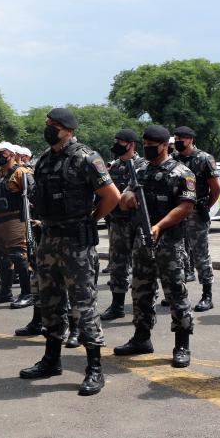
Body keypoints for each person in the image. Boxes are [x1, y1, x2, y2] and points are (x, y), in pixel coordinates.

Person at [19, 108, 120, 397]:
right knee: (49, 301)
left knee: (83, 304)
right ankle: (51, 360)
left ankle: (94, 368)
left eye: (55, 126)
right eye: (48, 124)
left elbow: (111, 196)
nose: (49, 128)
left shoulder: (86, 158)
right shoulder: (45, 160)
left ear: (69, 130)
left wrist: (90, 220)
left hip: (76, 243)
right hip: (49, 238)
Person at [113, 125, 196, 369]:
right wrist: (127, 198)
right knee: (140, 290)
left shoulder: (182, 172)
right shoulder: (139, 169)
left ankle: (182, 344)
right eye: (145, 144)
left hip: (169, 241)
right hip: (142, 240)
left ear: (164, 145)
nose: (147, 148)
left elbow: (185, 206)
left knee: (175, 293)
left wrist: (159, 226)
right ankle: (141, 337)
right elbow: (125, 197)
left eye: (152, 145)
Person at [172, 126, 220, 311]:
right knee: (177, 253)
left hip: (196, 212)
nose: (178, 141)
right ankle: (178, 293)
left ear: (191, 139)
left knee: (201, 254)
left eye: (182, 138)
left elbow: (215, 189)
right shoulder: (174, 159)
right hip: (177, 211)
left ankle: (207, 295)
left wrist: (205, 207)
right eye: (176, 137)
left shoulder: (204, 159)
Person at [100, 129, 147, 321]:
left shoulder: (143, 165)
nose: (116, 144)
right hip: (118, 222)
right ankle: (117, 305)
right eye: (115, 141)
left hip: (138, 223)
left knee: (142, 266)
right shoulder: (114, 166)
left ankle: (143, 306)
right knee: (118, 265)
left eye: (120, 142)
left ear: (131, 144)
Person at [0, 142, 34, 310]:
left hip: (15, 220)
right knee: (0, 257)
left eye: (2, 152)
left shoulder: (22, 172)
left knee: (19, 256)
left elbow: (33, 194)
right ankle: (5, 292)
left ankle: (27, 293)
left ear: (12, 155)